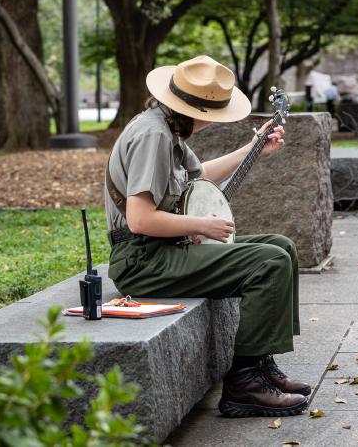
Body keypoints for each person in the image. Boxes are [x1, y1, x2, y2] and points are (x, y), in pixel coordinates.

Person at [104, 55, 309, 418]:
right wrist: (200, 225)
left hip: (164, 250)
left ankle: (260, 363)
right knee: (269, 262)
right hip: (143, 260)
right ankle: (243, 384)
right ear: (195, 110)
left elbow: (200, 177)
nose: (214, 123)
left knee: (281, 247)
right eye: (214, 115)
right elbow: (139, 219)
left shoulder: (168, 129)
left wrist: (254, 148)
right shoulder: (153, 135)